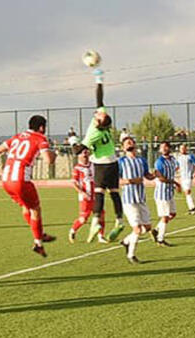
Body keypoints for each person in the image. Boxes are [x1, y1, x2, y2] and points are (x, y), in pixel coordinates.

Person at [0, 115, 56, 257]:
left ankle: (39, 234)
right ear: (42, 127)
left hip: (6, 180)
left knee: (26, 207)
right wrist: (53, 154)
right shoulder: (40, 138)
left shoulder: (17, 137)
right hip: (21, 181)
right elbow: (48, 160)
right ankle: (38, 242)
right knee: (35, 209)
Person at [81, 69, 124, 242]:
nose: (99, 112)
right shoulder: (102, 124)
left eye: (100, 115)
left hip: (101, 164)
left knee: (98, 192)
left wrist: (74, 141)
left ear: (99, 122)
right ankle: (120, 221)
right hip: (113, 162)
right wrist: (99, 81)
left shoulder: (94, 132)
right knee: (114, 192)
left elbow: (79, 150)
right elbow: (100, 99)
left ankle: (96, 221)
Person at [118, 136, 156, 264]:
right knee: (138, 229)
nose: (129, 144)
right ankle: (131, 255)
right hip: (129, 199)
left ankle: (126, 241)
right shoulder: (121, 162)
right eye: (126, 143)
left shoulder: (141, 160)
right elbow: (117, 181)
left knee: (148, 227)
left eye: (130, 142)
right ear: (123, 147)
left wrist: (155, 174)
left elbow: (148, 176)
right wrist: (130, 181)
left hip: (141, 198)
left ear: (135, 144)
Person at [69, 144, 107, 244]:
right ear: (79, 155)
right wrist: (82, 192)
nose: (86, 154)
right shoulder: (77, 168)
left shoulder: (93, 164)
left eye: (86, 151)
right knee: (83, 219)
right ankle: (73, 231)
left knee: (101, 215)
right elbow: (74, 183)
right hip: (85, 197)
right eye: (83, 152)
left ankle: (101, 236)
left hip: (96, 195)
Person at [153, 141, 180, 247]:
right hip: (161, 193)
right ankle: (160, 239)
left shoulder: (173, 159)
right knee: (165, 216)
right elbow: (161, 178)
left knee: (172, 214)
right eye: (162, 147)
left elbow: (175, 169)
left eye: (165, 147)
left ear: (169, 148)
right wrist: (175, 183)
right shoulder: (159, 162)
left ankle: (156, 230)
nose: (163, 149)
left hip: (169, 192)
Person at [176, 144, 195, 215]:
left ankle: (192, 207)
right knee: (187, 193)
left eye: (184, 148)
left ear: (186, 149)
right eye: (181, 148)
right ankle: (193, 206)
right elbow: (177, 166)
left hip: (188, 176)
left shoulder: (190, 156)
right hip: (182, 177)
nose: (182, 149)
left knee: (187, 191)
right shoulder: (178, 157)